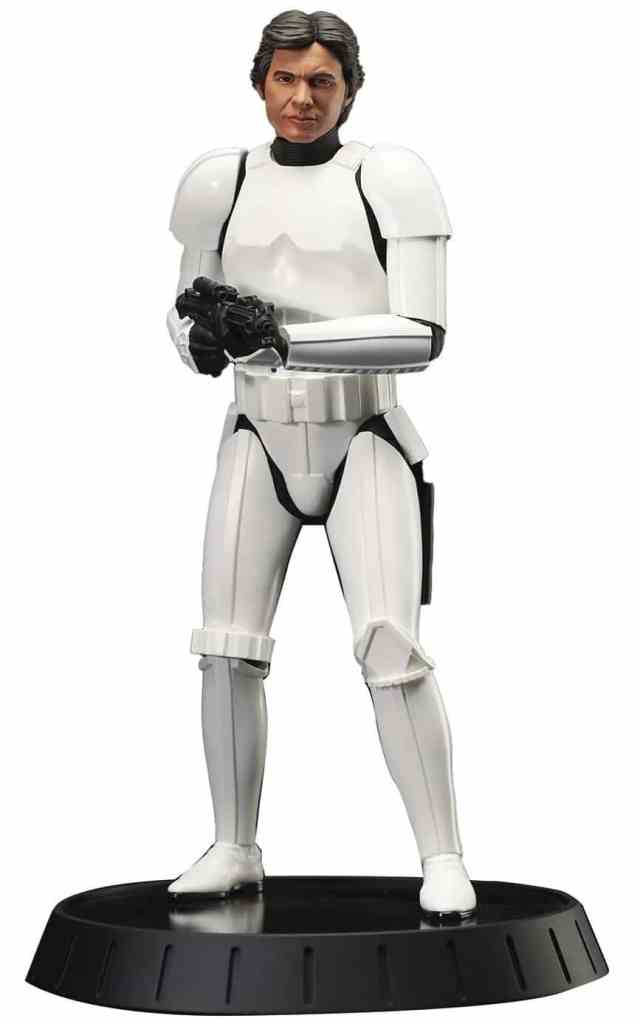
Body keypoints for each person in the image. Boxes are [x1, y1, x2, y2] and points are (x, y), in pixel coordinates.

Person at [166, 9, 476, 917]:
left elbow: (421, 333)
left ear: (348, 89)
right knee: (226, 649)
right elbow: (185, 307)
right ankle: (234, 845)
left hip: (362, 434)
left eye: (321, 81)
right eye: (286, 78)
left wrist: (286, 340)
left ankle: (443, 855)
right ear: (261, 82)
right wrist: (202, 340)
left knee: (391, 649)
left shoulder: (390, 178)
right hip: (256, 435)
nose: (302, 98)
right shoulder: (221, 181)